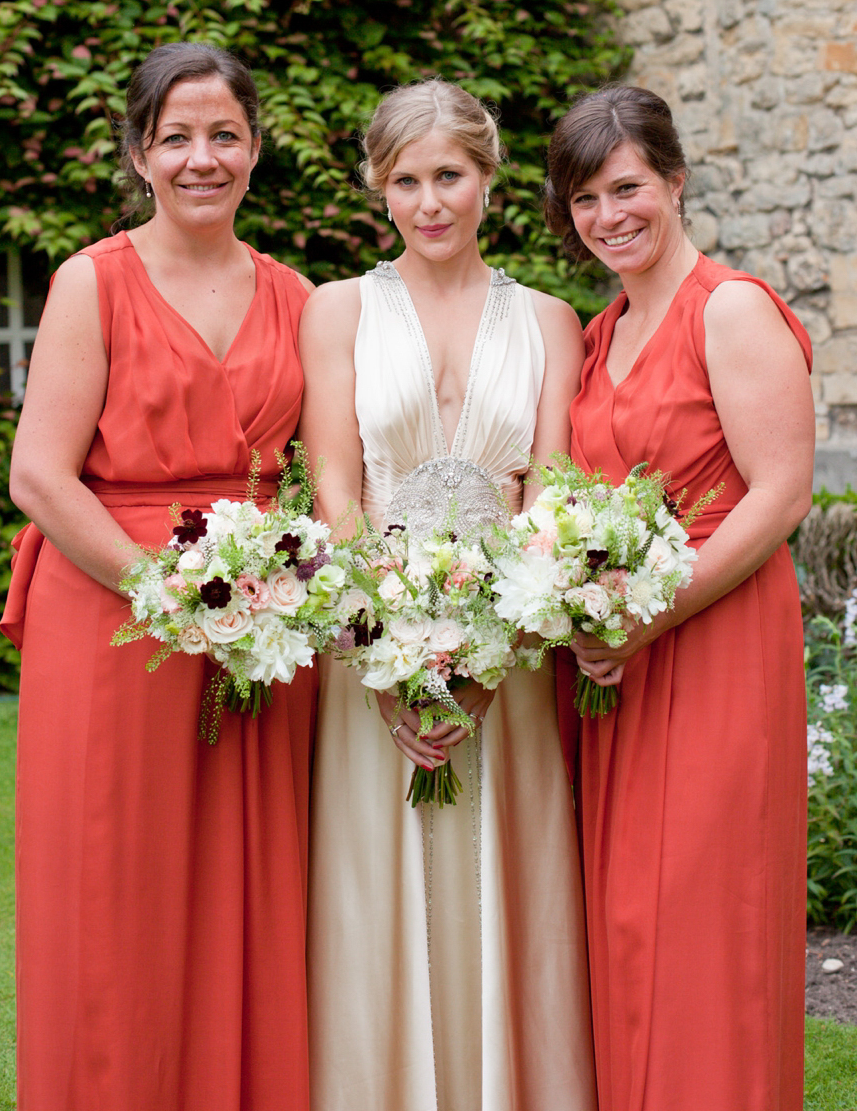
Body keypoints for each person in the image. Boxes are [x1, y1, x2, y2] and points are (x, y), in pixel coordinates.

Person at [1, 42, 316, 1111]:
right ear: (141, 154)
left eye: (223, 134)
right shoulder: (90, 282)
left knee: (251, 896)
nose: (201, 158)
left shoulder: (299, 298)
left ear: (256, 149)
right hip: (111, 620)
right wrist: (169, 594)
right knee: (113, 896)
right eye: (176, 137)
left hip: (261, 622)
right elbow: (39, 476)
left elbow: (344, 480)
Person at [298, 79, 597, 1111]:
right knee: (375, 901)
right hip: (371, 656)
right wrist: (382, 651)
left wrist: (488, 659)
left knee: (503, 894)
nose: (432, 202)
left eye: (451, 177)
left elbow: (553, 497)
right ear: (379, 188)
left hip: (506, 661)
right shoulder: (334, 310)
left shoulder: (553, 319)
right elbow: (334, 484)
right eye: (408, 180)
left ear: (487, 178)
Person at [544, 84, 814, 1111]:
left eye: (626, 189)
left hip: (715, 639)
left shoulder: (731, 308)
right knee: (629, 918)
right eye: (584, 200)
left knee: (707, 917)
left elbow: (780, 493)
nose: (608, 217)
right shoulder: (594, 329)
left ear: (674, 179)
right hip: (619, 660)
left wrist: (653, 610)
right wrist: (584, 612)